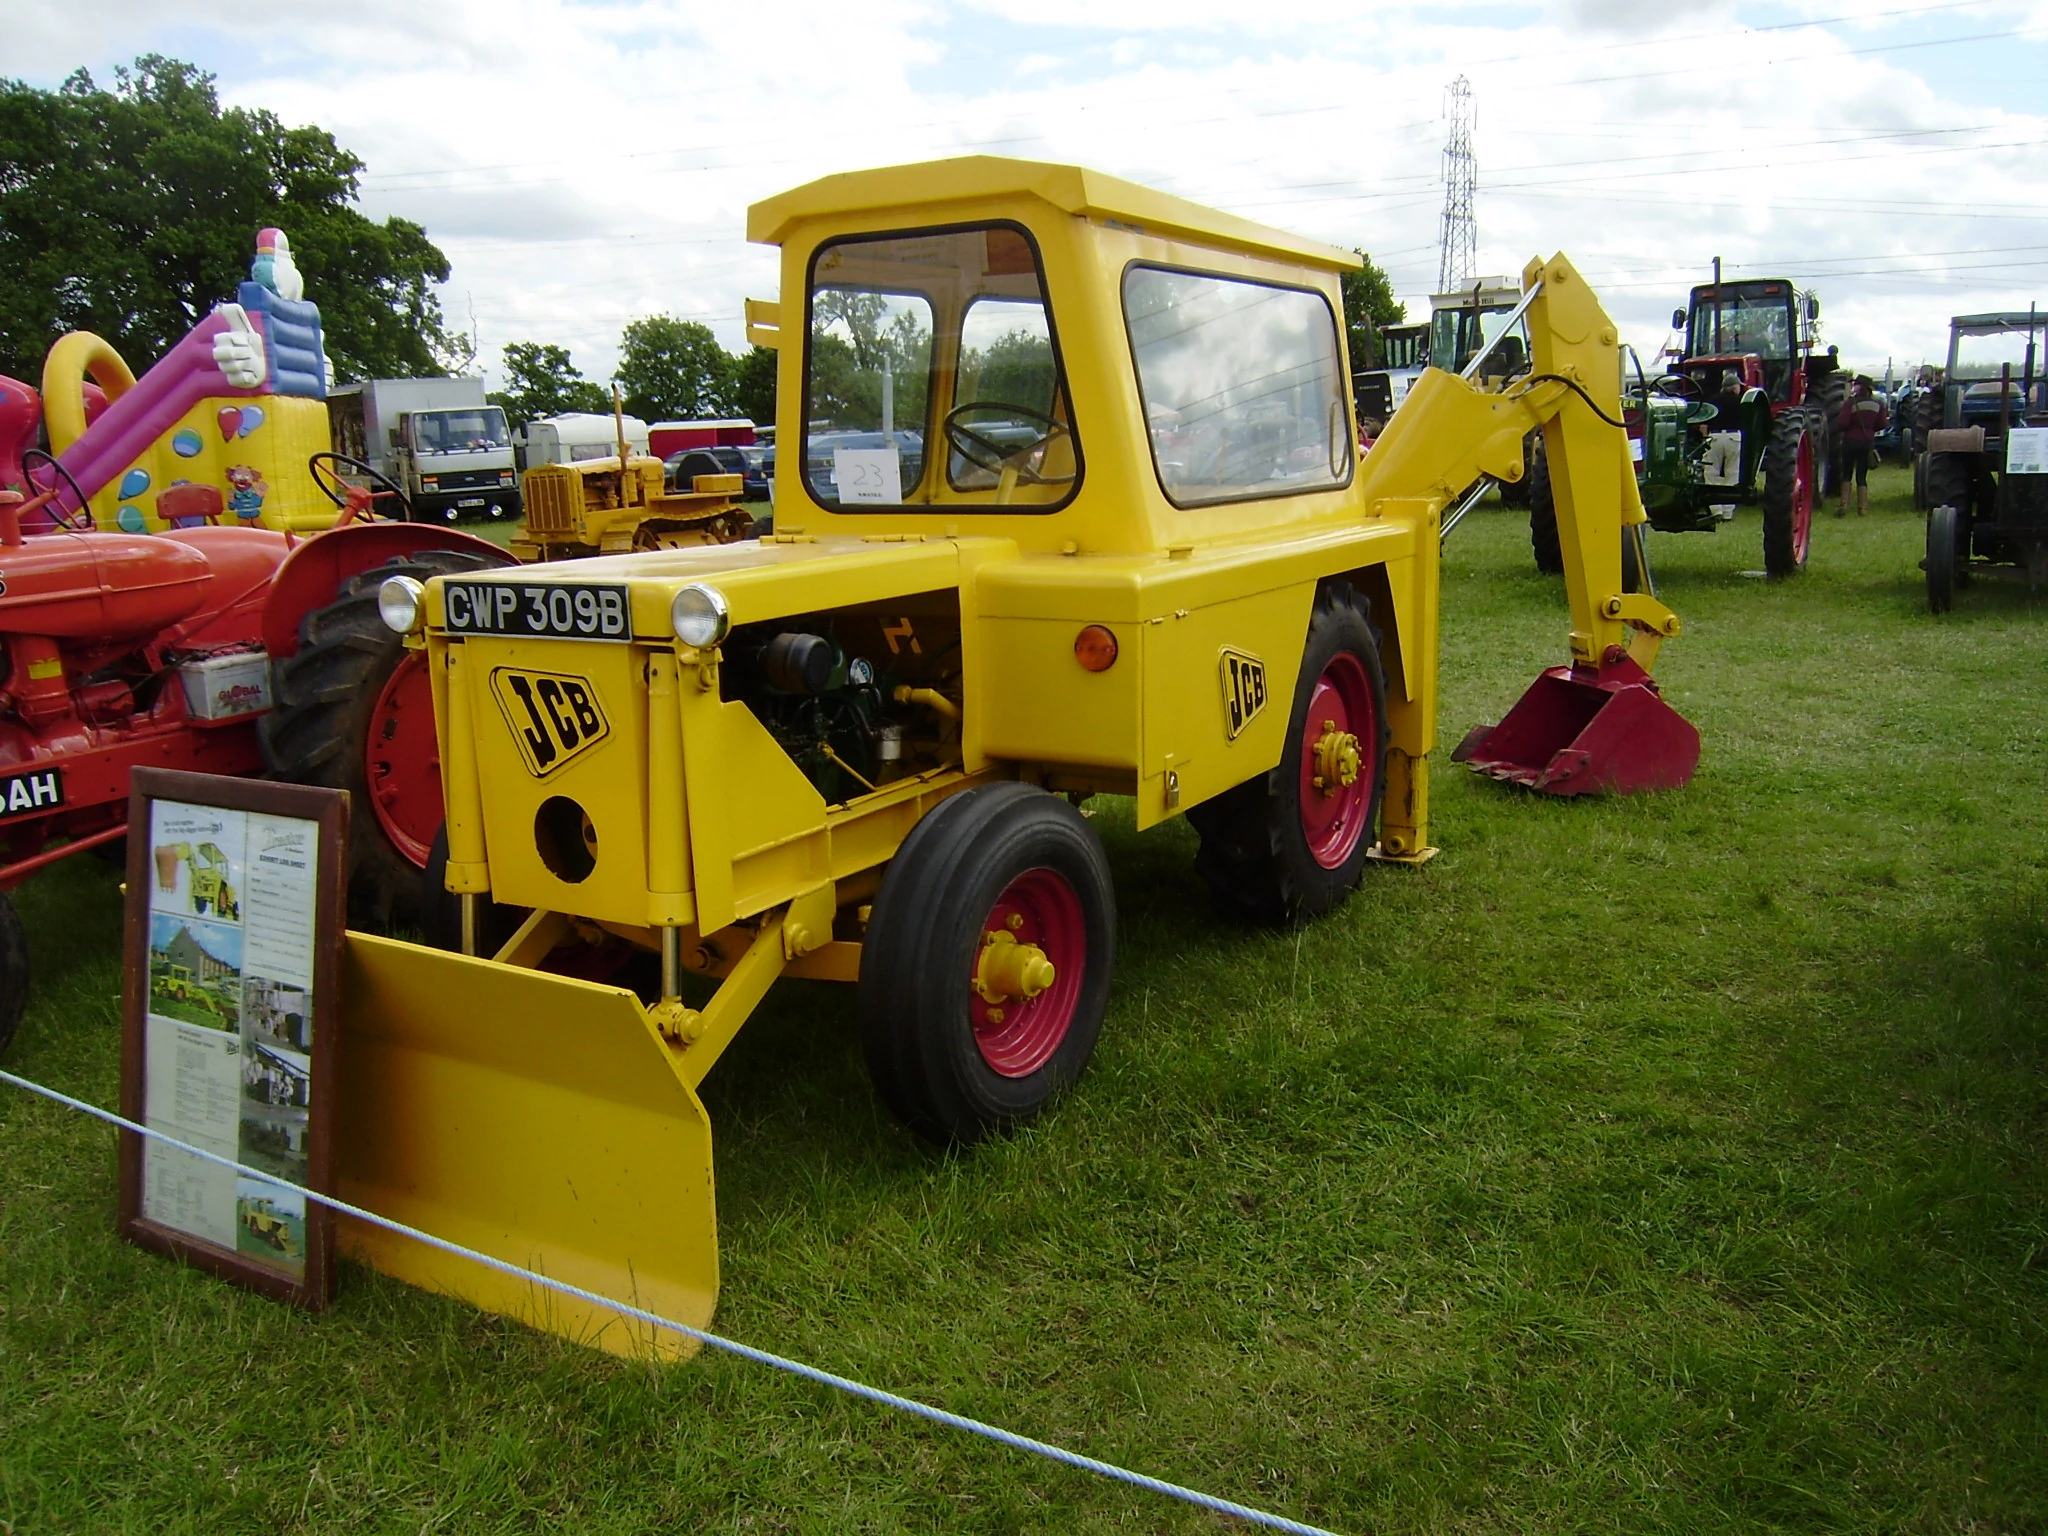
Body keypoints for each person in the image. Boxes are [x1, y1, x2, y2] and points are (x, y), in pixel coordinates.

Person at [1835, 375, 1887, 516]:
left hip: (1850, 442)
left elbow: (1842, 423)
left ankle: (1844, 505)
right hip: (1867, 442)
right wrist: (1870, 430)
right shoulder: (1878, 404)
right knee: (1861, 476)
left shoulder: (1850, 403)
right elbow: (1882, 424)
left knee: (1846, 473)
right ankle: (1862, 508)